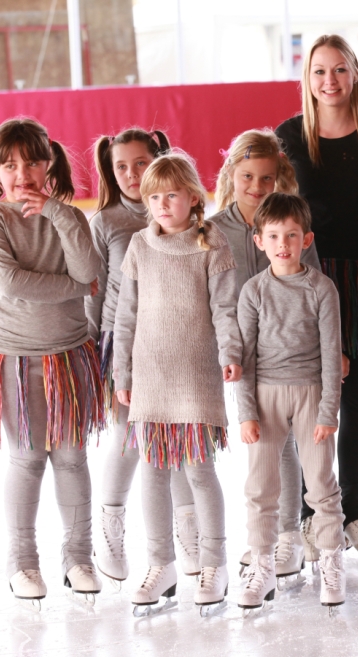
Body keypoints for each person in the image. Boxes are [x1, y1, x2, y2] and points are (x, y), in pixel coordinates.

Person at [0, 117, 104, 606]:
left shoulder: (69, 217)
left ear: (49, 164)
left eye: (31, 162)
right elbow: (14, 285)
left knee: (71, 457)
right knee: (27, 459)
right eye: (9, 165)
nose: (21, 174)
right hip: (15, 357)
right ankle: (23, 562)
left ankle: (79, 557)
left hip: (70, 355)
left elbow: (90, 267)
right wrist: (76, 287)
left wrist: (57, 215)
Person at [275, 34, 358, 560]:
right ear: (308, 78)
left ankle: (356, 508)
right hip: (310, 278)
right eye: (319, 71)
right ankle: (312, 511)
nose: (330, 80)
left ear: (355, 75)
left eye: (340, 69)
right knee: (313, 397)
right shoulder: (291, 136)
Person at [113, 152, 242, 615]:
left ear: (192, 197)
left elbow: (225, 308)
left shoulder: (213, 244)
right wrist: (122, 371)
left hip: (195, 375)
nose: (162, 205)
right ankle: (161, 564)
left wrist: (230, 353)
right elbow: (126, 315)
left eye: (171, 195)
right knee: (153, 471)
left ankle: (214, 563)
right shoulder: (140, 246)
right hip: (151, 375)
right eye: (154, 197)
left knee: (199, 471)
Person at [87, 127, 203, 589]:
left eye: (141, 163)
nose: (132, 174)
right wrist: (94, 352)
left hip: (174, 342)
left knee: (176, 442)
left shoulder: (181, 214)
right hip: (122, 342)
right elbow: (94, 292)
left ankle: (188, 535)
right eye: (121, 166)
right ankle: (110, 527)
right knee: (130, 439)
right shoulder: (107, 222)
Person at [207, 129, 318, 579]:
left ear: (279, 178)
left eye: (266, 178)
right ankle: (262, 537)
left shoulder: (291, 220)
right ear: (231, 174)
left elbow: (315, 282)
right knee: (258, 444)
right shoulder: (213, 231)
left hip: (289, 356)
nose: (256, 186)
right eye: (247, 176)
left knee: (285, 443)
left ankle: (289, 535)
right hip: (240, 355)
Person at [236, 193, 346, 612]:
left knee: (321, 485)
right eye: (273, 236)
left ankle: (331, 560)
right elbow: (246, 357)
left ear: (306, 240)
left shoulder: (322, 289)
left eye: (291, 235)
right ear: (259, 241)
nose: (283, 244)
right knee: (261, 487)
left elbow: (331, 354)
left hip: (310, 395)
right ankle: (262, 565)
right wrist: (246, 413)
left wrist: (328, 411)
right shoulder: (253, 291)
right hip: (266, 396)